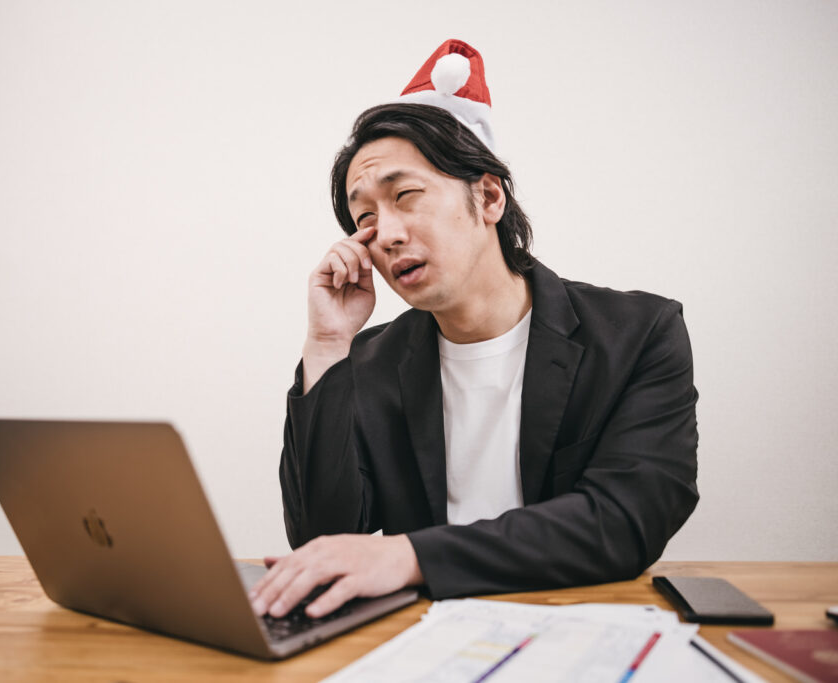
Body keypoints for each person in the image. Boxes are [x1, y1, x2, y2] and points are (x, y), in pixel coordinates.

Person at [249, 39, 698, 621]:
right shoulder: (370, 361)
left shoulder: (638, 334)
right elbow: (323, 539)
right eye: (365, 219)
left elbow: (625, 521)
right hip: (423, 636)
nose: (387, 235)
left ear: (487, 196)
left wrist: (410, 556)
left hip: (583, 622)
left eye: (406, 196)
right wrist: (327, 346)